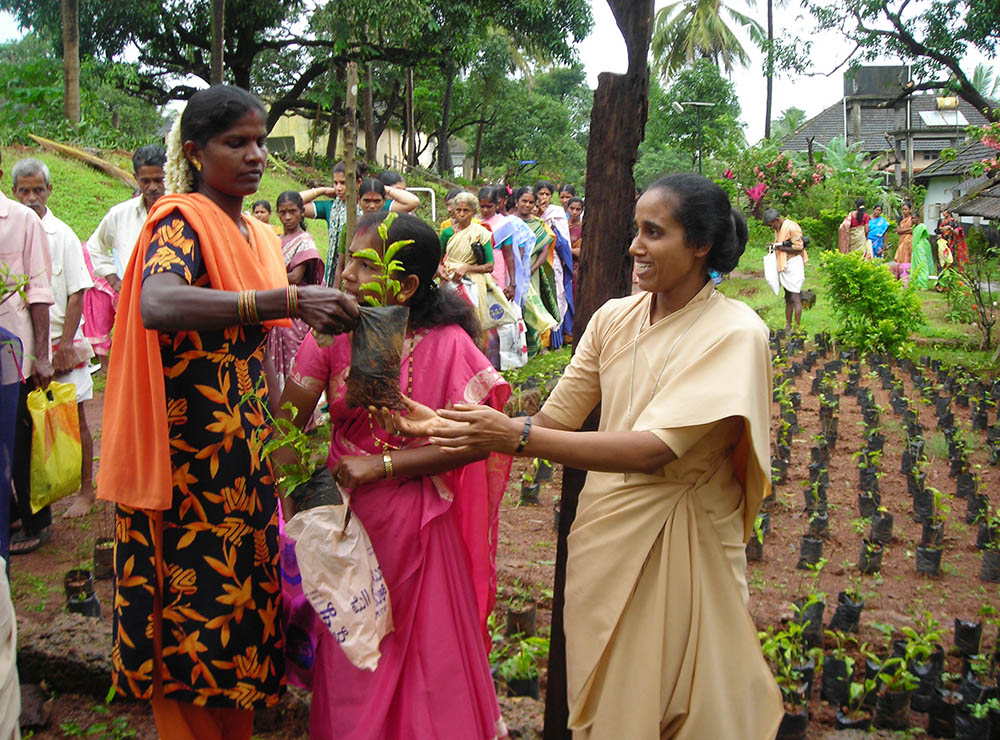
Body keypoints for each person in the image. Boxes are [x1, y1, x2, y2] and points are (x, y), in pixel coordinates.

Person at [380, 172, 783, 740]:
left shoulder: (736, 332)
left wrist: (510, 438)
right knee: (613, 711)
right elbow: (547, 422)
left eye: (653, 232)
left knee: (691, 707)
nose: (635, 246)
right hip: (604, 540)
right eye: (635, 230)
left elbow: (653, 451)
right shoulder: (613, 319)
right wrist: (444, 423)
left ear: (700, 245)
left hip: (687, 541)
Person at [97, 84, 360, 740]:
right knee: (188, 612)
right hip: (184, 462)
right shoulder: (181, 222)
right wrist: (281, 302)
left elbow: (264, 358)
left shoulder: (260, 235)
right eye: (235, 143)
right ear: (195, 150)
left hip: (240, 458)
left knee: (237, 612)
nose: (254, 156)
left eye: (260, 142)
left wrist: (286, 452)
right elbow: (159, 303)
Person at [276, 210, 511, 740]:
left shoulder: (449, 344)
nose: (348, 276)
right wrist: (305, 517)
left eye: (364, 264)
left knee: (426, 662)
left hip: (420, 530)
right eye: (348, 261)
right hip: (348, 529)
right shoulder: (335, 336)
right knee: (356, 654)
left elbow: (472, 443)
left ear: (405, 285)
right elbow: (286, 428)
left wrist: (381, 464)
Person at [11, 158, 97, 519]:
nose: (31, 197)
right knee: (27, 420)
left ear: (49, 191)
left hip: (60, 342)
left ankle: (86, 490)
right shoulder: (11, 230)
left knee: (73, 414)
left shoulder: (62, 235)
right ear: (13, 192)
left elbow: (77, 292)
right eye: (24, 191)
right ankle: (37, 494)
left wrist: (62, 347)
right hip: (21, 345)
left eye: (38, 190)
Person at [0, 151, 55, 556]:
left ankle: (37, 522)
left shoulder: (21, 221)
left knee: (20, 439)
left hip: (14, 352)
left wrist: (41, 355)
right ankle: (13, 512)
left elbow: (38, 293)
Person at [86, 146, 167, 365]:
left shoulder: (184, 211)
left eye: (159, 179)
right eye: (145, 181)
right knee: (138, 367)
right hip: (134, 307)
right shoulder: (121, 215)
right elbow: (95, 246)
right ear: (135, 179)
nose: (153, 187)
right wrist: (113, 279)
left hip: (175, 308)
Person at [269, 190, 324, 392]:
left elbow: (295, 277)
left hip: (294, 310)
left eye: (292, 211)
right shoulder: (274, 239)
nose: (287, 217)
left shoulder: (304, 240)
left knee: (295, 361)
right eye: (282, 212)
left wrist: (267, 276)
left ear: (301, 212)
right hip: (276, 306)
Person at [512, 186, 558, 357]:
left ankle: (535, 346)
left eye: (531, 202)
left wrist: (531, 269)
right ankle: (516, 346)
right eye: (524, 201)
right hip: (511, 272)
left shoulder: (538, 225)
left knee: (531, 307)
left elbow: (544, 250)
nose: (528, 205)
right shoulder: (508, 222)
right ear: (516, 201)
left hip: (532, 272)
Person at [534, 180, 574, 345]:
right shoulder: (531, 210)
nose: (544, 197)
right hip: (534, 259)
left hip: (553, 259)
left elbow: (563, 240)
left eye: (547, 194)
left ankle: (556, 336)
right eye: (541, 194)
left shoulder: (556, 212)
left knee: (555, 293)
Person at [762, 208, 807, 333]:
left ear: (777, 220)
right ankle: (788, 325)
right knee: (787, 297)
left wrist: (780, 248)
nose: (772, 228)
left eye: (772, 225)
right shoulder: (779, 229)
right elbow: (781, 244)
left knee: (795, 297)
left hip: (793, 264)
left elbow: (799, 248)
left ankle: (797, 328)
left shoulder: (792, 227)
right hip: (785, 264)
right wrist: (774, 246)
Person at [478, 186, 517, 301]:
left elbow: (509, 255)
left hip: (497, 267)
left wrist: (512, 284)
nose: (485, 210)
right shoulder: (474, 222)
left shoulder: (504, 224)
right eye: (482, 206)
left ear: (497, 205)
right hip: (477, 266)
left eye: (489, 207)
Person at [910, 216, 934, 290]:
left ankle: (923, 284)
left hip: (921, 246)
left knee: (922, 264)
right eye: (912, 218)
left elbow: (926, 237)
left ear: (918, 218)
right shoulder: (914, 227)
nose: (913, 220)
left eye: (915, 218)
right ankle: (915, 283)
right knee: (915, 264)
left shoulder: (922, 226)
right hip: (915, 247)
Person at [892, 203, 914, 283]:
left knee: (908, 258)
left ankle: (908, 276)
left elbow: (914, 230)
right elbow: (898, 231)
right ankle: (900, 276)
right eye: (903, 209)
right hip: (901, 240)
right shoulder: (900, 219)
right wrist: (908, 230)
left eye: (906, 209)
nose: (904, 211)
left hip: (909, 241)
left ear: (910, 210)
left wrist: (904, 231)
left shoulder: (912, 219)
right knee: (900, 257)